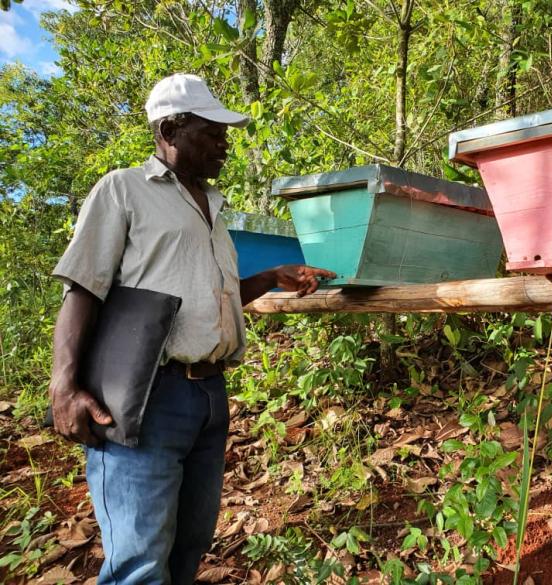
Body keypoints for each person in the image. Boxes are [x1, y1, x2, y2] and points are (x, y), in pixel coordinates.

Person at [48, 73, 335, 584]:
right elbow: (83, 286)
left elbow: (213, 300)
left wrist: (270, 278)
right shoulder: (124, 190)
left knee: (189, 545)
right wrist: (64, 385)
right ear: (171, 129)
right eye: (212, 131)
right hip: (146, 395)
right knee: (139, 561)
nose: (225, 143)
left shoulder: (212, 209)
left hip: (209, 396)